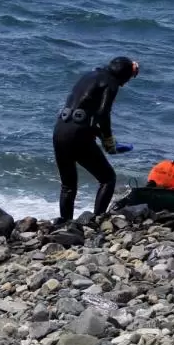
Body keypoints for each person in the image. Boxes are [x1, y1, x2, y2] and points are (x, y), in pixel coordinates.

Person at [53, 56, 139, 222]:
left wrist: (102, 138)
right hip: (78, 134)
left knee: (68, 185)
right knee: (108, 178)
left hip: (60, 130)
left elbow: (81, 114)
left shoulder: (89, 75)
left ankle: (64, 224)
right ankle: (97, 220)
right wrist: (108, 141)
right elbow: (103, 114)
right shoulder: (111, 82)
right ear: (124, 75)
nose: (127, 82)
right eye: (130, 77)